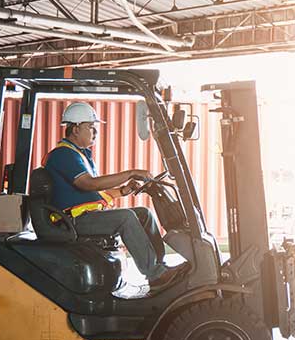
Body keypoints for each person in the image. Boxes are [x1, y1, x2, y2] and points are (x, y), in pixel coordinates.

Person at [43, 102, 187, 293]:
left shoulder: (80, 155)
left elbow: (93, 194)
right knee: (125, 218)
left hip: (86, 215)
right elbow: (89, 184)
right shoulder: (63, 154)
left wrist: (123, 190)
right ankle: (154, 273)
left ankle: (159, 269)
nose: (95, 132)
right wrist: (130, 173)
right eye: (91, 127)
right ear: (76, 129)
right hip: (73, 221)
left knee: (143, 214)